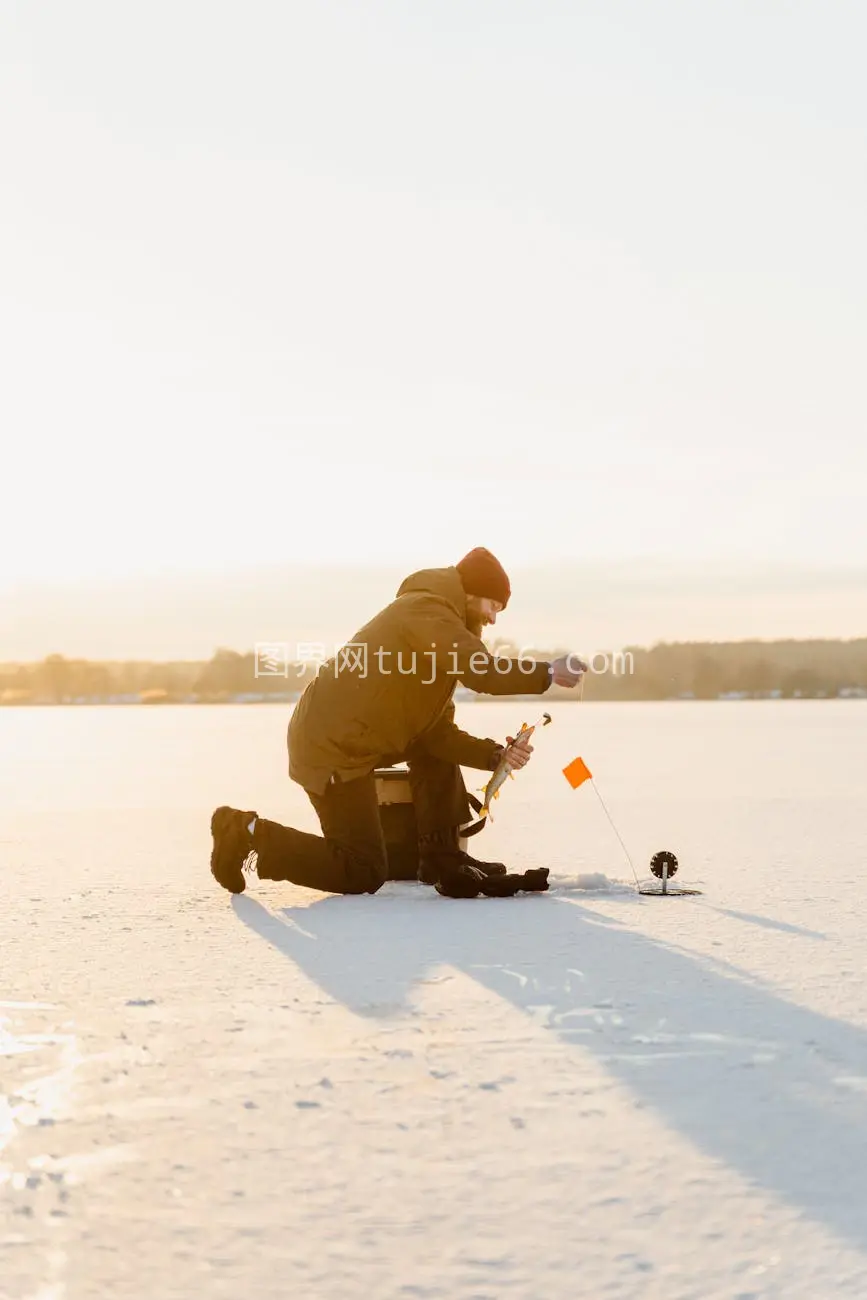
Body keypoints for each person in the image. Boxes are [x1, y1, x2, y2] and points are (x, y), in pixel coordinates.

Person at [210, 548, 586, 900]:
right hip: (331, 747)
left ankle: (442, 859)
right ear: (472, 593)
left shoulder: (442, 627)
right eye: (493, 605)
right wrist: (547, 673)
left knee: (432, 750)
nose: (492, 617)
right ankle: (244, 832)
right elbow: (482, 671)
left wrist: (495, 755)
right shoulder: (425, 611)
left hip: (361, 739)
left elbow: (436, 733)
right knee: (362, 870)